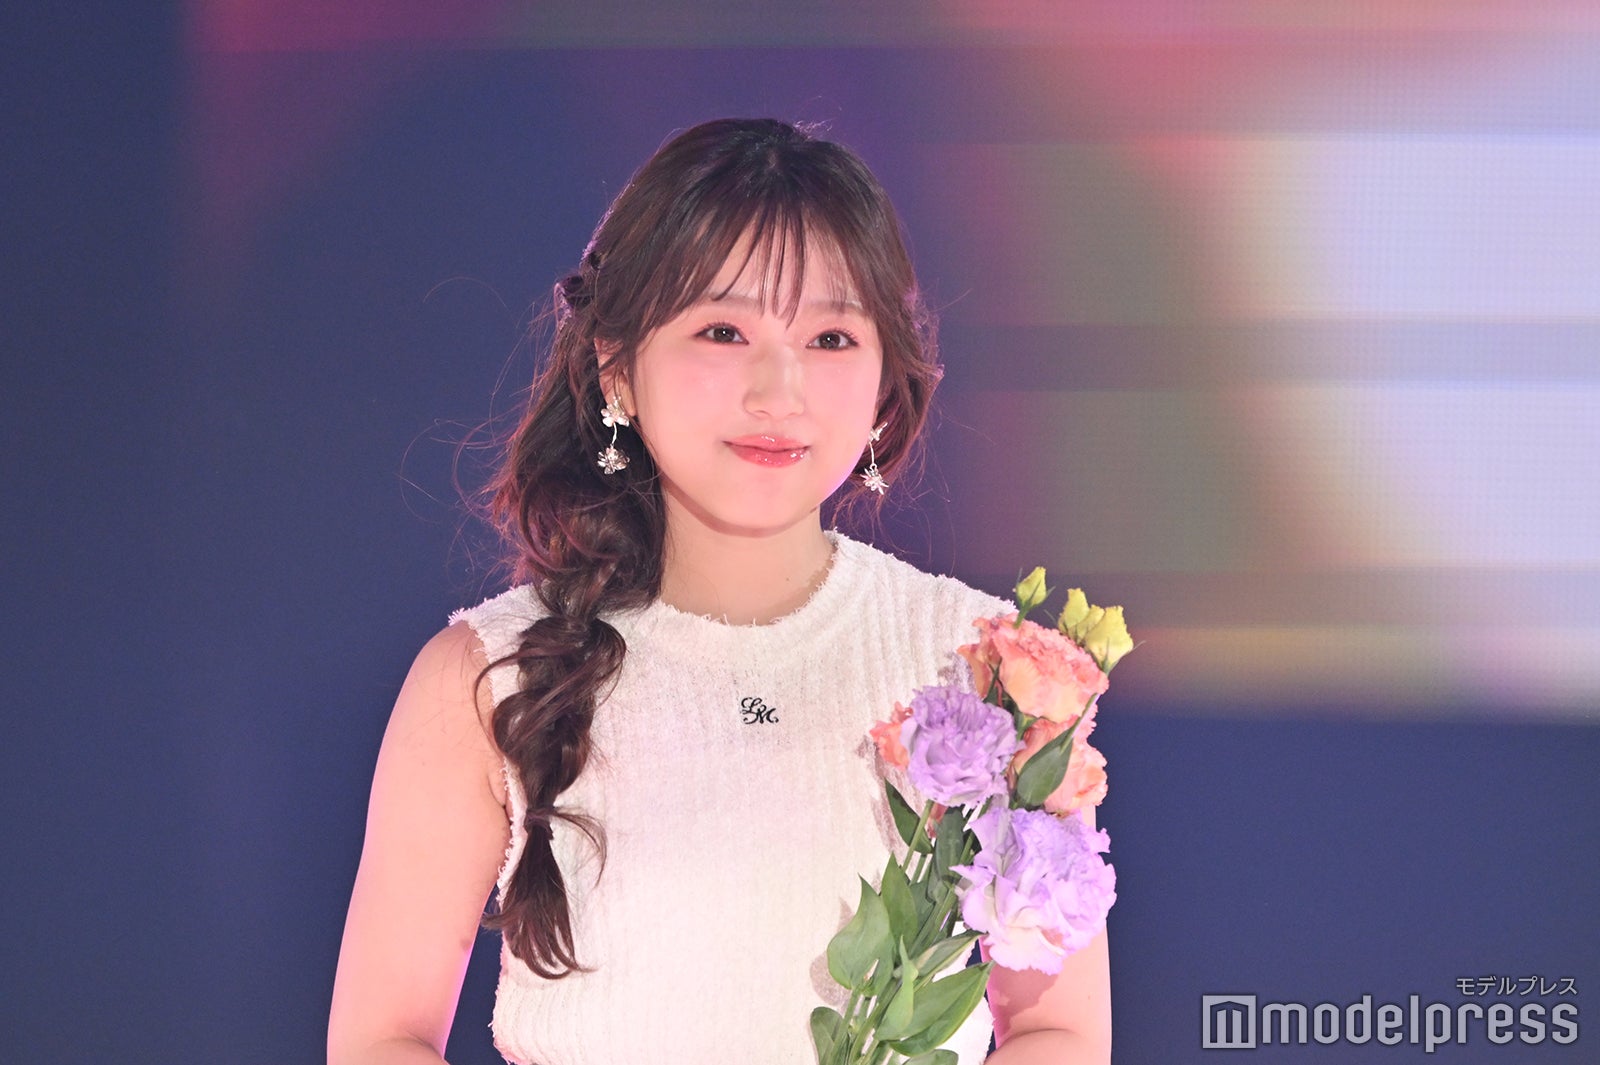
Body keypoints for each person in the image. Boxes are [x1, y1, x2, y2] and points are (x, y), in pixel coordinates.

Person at [327, 117, 1111, 1065]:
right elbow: (381, 1038)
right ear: (618, 366)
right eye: (724, 331)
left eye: (830, 336)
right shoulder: (487, 677)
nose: (778, 390)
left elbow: (1058, 1027)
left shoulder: (991, 672)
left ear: (883, 381)